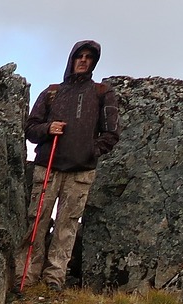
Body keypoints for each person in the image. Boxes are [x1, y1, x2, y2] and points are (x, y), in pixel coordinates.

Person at [22, 40, 120, 290]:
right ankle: (27, 274)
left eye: (89, 57)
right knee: (36, 221)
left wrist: (90, 151)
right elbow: (31, 129)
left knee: (67, 226)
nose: (83, 60)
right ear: (72, 59)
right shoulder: (52, 92)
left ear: (94, 63)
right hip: (48, 167)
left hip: (81, 172)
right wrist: (48, 128)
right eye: (80, 56)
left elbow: (111, 133)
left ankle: (54, 277)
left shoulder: (102, 93)